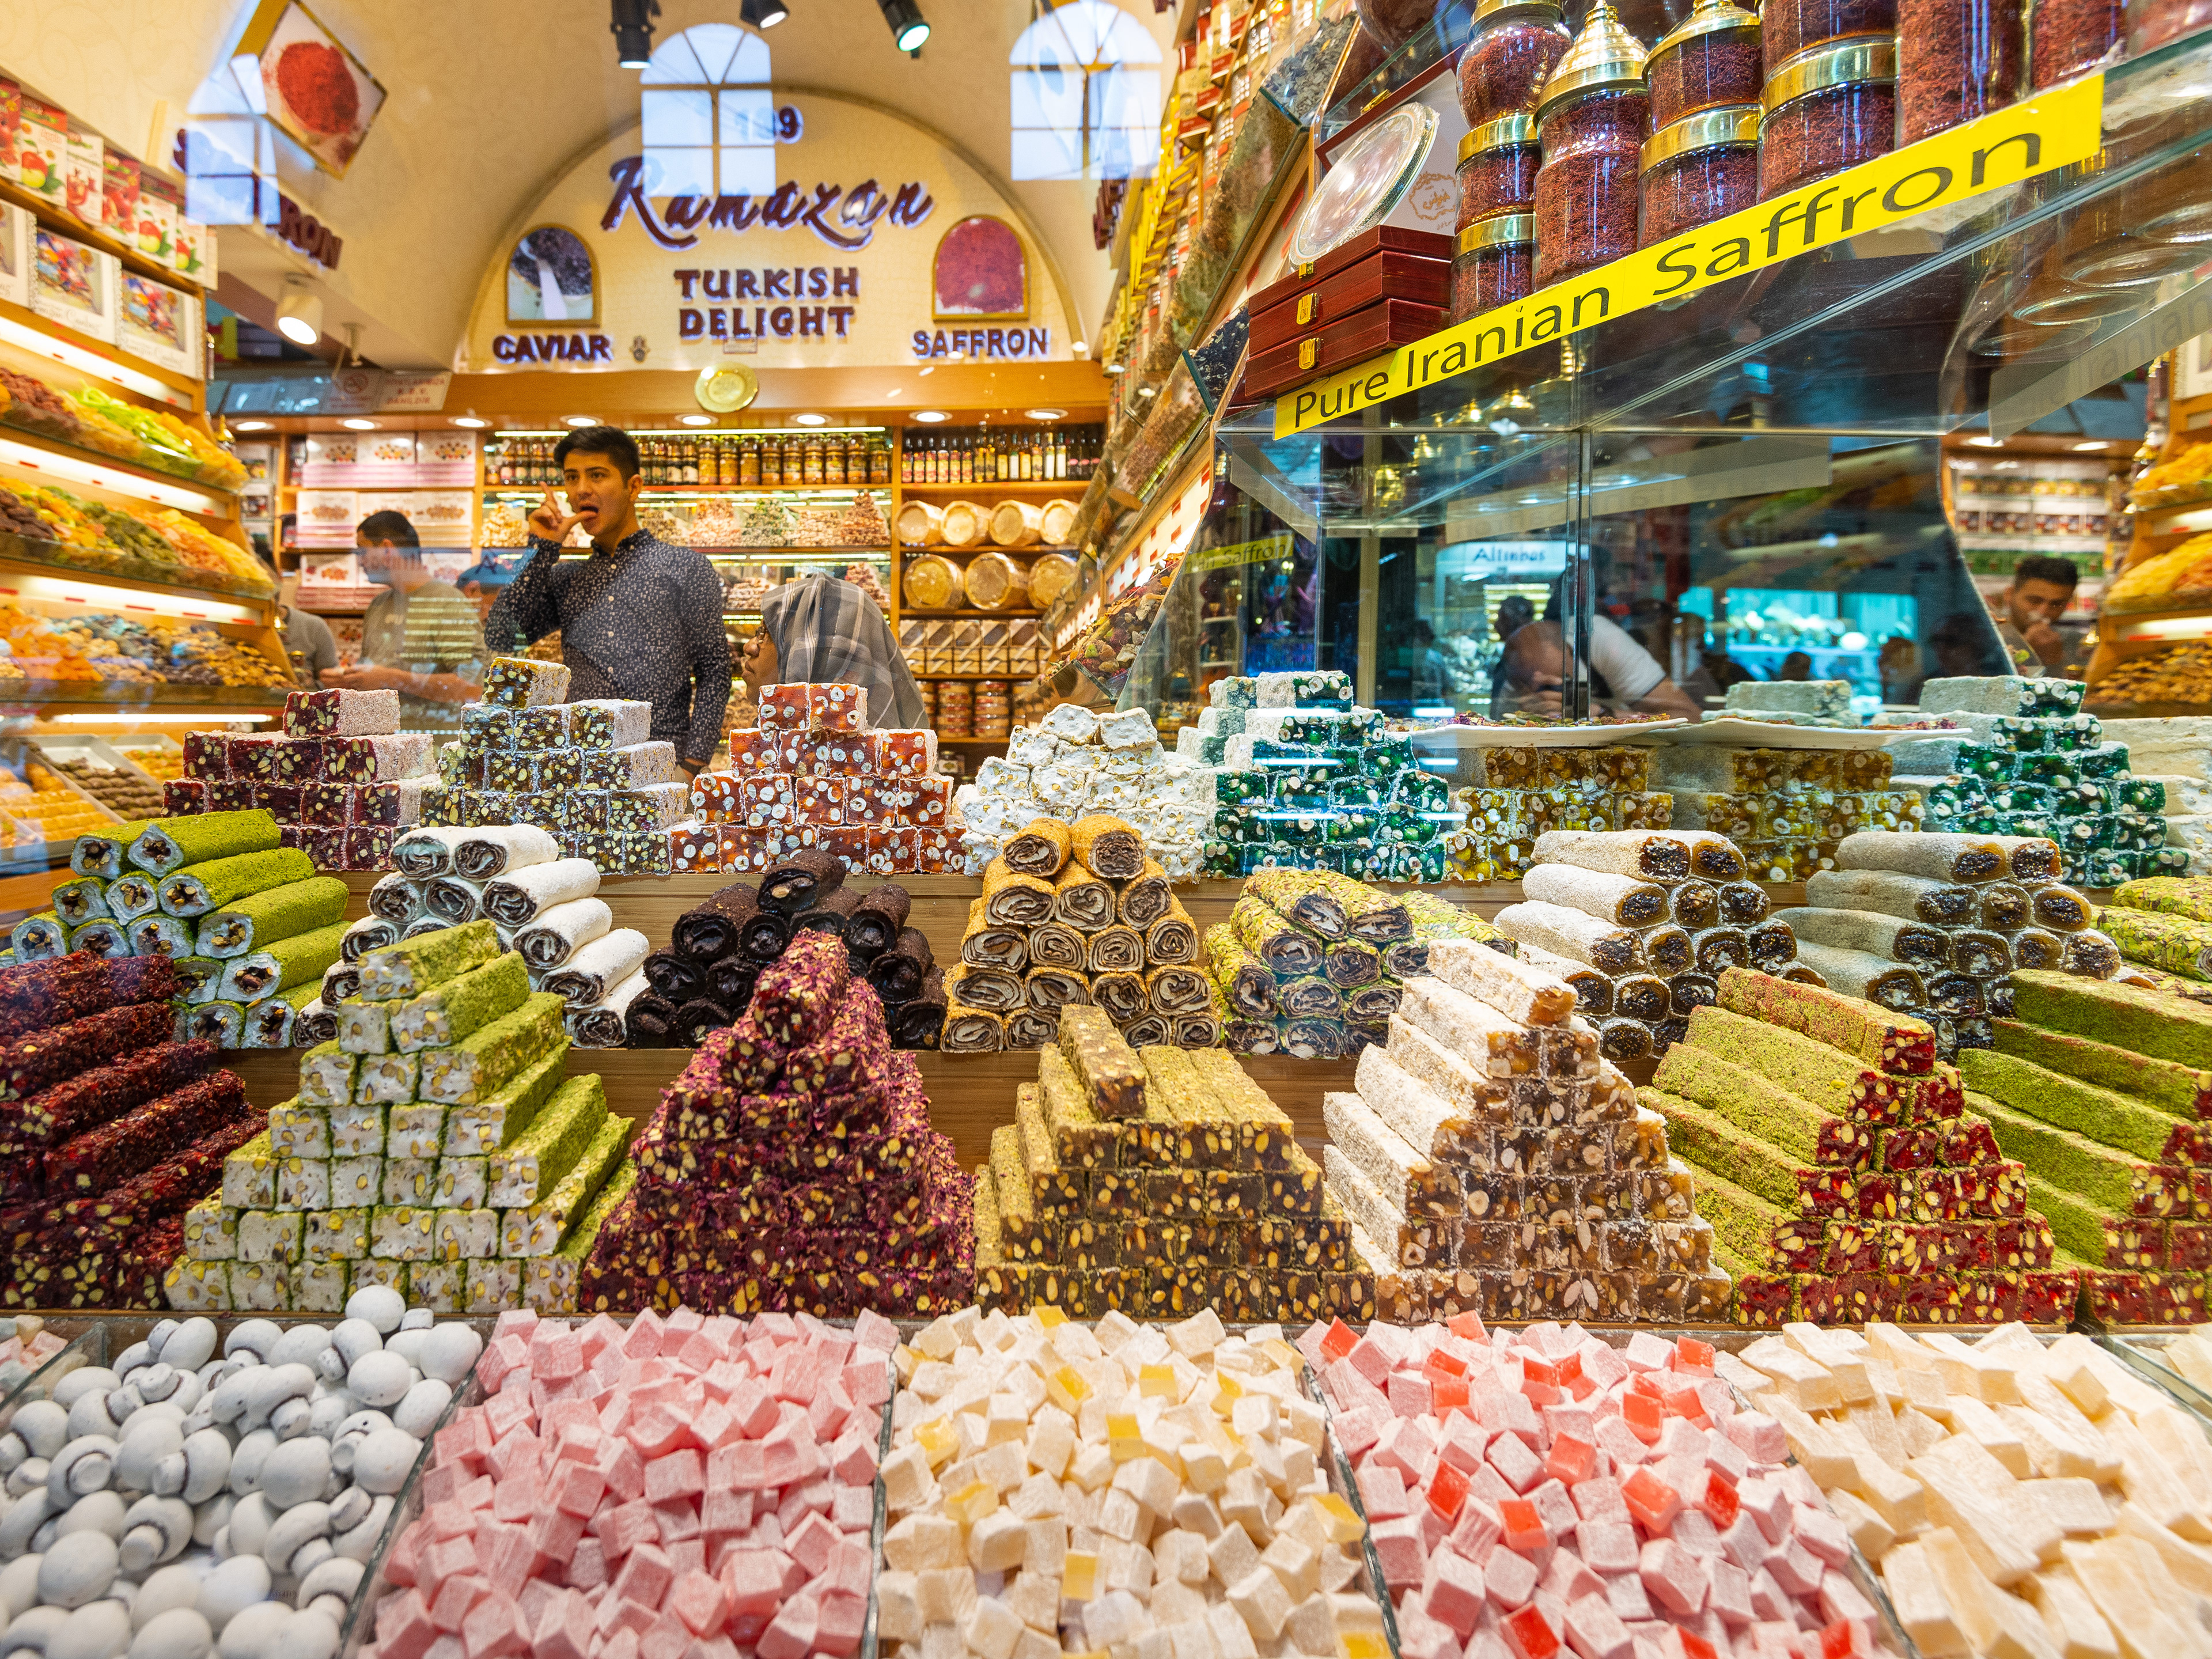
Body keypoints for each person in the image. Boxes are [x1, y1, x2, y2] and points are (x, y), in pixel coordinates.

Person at [486, 426, 733, 777]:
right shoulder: (566, 578)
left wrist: (692, 764)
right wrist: (540, 549)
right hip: (580, 765)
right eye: (572, 478)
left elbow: (715, 670)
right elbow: (501, 636)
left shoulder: (685, 567)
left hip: (661, 763)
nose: (582, 488)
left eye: (597, 475)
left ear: (633, 487)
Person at [323, 510, 484, 729]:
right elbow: (375, 673)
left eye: (363, 550)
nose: (360, 561)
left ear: (387, 549)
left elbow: (472, 687)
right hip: (379, 747)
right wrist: (350, 679)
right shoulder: (378, 605)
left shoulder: (447, 603)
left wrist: (390, 679)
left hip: (429, 751)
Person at [740, 572, 926, 729]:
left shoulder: (876, 763)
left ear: (810, 659)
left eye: (766, 633)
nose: (749, 647)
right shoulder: (767, 751)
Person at [1492, 616, 1702, 719]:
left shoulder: (1598, 639)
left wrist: (1602, 714)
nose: (1546, 693)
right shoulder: (1516, 672)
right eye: (1528, 685)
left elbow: (1689, 716)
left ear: (1571, 651)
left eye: (1559, 682)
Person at [1995, 554, 2090, 678]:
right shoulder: (1988, 638)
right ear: (2009, 595)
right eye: (2034, 601)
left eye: (2057, 604)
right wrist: (2027, 655)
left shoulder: (2076, 644)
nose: (2043, 612)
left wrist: (2055, 661)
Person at [256, 544, 338, 688]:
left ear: (280, 577)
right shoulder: (225, 623)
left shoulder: (313, 627)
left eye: (263, 579)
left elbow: (334, 685)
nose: (258, 589)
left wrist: (311, 687)